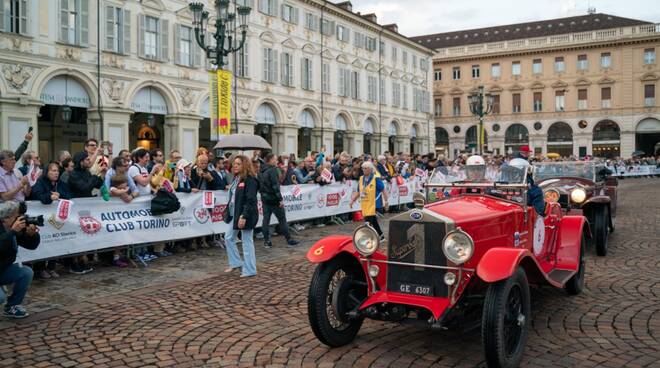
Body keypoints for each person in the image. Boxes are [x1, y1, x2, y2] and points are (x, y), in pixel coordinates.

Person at [0, 201, 40, 318]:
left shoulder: (15, 228)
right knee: (0, 298)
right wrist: (12, 232)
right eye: (17, 216)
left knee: (26, 272)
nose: (20, 219)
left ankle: (12, 306)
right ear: (5, 218)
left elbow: (31, 246)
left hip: (3, 269)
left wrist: (32, 235)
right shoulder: (12, 229)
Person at [224, 155, 259, 278]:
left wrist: (244, 216)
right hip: (235, 213)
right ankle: (236, 263)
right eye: (234, 164)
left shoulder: (250, 180)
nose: (235, 166)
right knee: (228, 238)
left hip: (246, 214)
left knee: (247, 241)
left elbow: (250, 200)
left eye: (238, 164)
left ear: (245, 165)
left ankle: (250, 269)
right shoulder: (236, 178)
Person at [258, 153, 299, 249]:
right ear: (270, 160)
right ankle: (289, 239)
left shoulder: (260, 170)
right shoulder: (272, 170)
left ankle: (266, 241)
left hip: (265, 198)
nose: (276, 161)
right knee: (282, 219)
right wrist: (280, 199)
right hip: (273, 199)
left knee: (266, 220)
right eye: (275, 159)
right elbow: (275, 186)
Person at [350, 161, 387, 241]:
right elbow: (358, 191)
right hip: (365, 204)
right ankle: (381, 236)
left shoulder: (375, 178)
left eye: (365, 168)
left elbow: (383, 189)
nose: (363, 169)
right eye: (362, 168)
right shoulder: (361, 179)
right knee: (373, 221)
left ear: (370, 169)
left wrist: (386, 201)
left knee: (368, 222)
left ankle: (367, 238)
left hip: (374, 204)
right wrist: (352, 200)